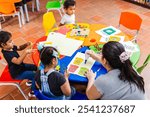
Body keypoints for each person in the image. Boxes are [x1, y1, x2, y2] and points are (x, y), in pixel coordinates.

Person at [0, 31, 37, 97]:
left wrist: (26, 44)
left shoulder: (11, 47)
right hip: (17, 73)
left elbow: (19, 47)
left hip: (21, 67)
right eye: (10, 41)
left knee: (35, 67)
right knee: (35, 75)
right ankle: (33, 91)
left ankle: (30, 81)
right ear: (3, 45)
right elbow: (18, 61)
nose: (13, 42)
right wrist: (25, 52)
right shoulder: (7, 54)